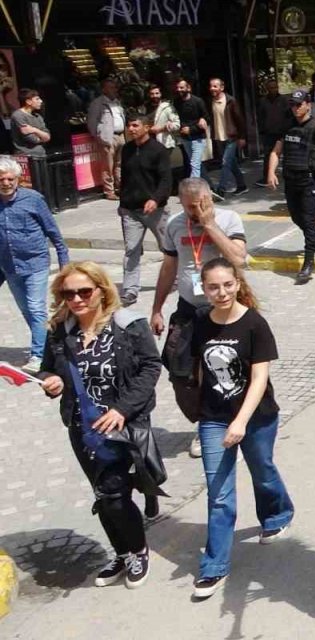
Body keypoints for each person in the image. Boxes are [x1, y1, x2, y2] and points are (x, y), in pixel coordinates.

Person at [37, 261, 166, 591]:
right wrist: (50, 380)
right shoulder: (60, 330)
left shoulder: (128, 325)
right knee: (103, 492)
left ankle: (137, 550)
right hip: (82, 428)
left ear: (101, 290)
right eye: (69, 294)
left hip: (122, 425)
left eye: (84, 291)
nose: (77, 299)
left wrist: (123, 409)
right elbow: (46, 370)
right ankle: (122, 553)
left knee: (113, 493)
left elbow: (151, 368)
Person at [189, 258, 294, 598]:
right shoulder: (201, 323)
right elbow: (201, 371)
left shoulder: (254, 324)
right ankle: (214, 566)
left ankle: (277, 514)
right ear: (204, 289)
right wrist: (202, 418)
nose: (221, 292)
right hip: (214, 419)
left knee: (262, 470)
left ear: (237, 284)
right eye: (213, 287)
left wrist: (240, 421)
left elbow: (260, 378)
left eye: (227, 285)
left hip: (257, 416)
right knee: (218, 493)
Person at [150, 178, 248, 459]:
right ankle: (205, 421)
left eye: (201, 205)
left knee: (225, 368)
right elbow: (170, 266)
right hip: (190, 307)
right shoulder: (175, 224)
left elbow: (238, 259)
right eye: (190, 207)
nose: (195, 212)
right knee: (182, 370)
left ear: (210, 199)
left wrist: (209, 225)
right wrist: (157, 308)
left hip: (226, 307)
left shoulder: (228, 219)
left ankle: (230, 425)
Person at [0, 156, 68, 372]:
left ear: (18, 178)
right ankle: (52, 347)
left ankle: (38, 356)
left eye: (10, 179)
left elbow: (54, 233)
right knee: (26, 310)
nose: (6, 183)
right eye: (1, 179)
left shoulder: (33, 199)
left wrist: (64, 264)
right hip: (9, 266)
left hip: (35, 263)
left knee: (36, 308)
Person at [265, 90, 315, 283]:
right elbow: (276, 152)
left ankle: (308, 262)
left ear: (307, 105)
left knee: (308, 219)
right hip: (291, 180)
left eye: (299, 104)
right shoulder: (287, 127)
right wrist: (271, 172)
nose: (295, 108)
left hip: (310, 181)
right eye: (292, 105)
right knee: (297, 217)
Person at [117, 112, 171, 307]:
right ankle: (130, 290)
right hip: (131, 210)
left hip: (155, 211)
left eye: (135, 126)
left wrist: (156, 200)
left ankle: (174, 277)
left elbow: (166, 180)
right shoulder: (127, 149)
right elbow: (125, 178)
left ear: (147, 127)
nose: (131, 130)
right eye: (129, 126)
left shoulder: (159, 151)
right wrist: (122, 204)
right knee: (131, 250)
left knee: (168, 248)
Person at [87, 78, 127, 200]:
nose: (114, 90)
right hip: (108, 137)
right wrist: (99, 137)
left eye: (115, 87)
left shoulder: (117, 102)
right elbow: (92, 122)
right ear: (104, 89)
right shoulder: (98, 103)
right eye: (110, 87)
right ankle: (109, 191)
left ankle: (120, 187)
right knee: (107, 165)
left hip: (121, 135)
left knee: (120, 164)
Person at [207, 78, 248, 198]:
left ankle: (221, 190)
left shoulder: (231, 101)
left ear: (222, 87)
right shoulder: (210, 101)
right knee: (231, 162)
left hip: (232, 137)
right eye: (211, 86)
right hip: (219, 137)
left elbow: (240, 120)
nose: (212, 89)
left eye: (215, 86)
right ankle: (242, 185)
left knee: (225, 162)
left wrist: (242, 137)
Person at [255, 80, 291, 188]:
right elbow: (260, 116)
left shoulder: (284, 100)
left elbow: (288, 115)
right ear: (267, 89)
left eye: (275, 87)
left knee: (287, 154)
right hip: (269, 133)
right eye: (271, 88)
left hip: (282, 132)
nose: (273, 90)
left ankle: (287, 174)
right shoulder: (263, 101)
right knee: (268, 155)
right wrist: (262, 130)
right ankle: (267, 176)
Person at [174, 79, 209, 180]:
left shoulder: (198, 101)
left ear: (188, 88)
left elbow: (207, 118)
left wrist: (191, 129)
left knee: (194, 164)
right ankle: (209, 186)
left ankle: (194, 189)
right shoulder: (177, 102)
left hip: (198, 138)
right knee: (195, 163)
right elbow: (177, 119)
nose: (179, 90)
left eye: (181, 87)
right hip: (185, 138)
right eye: (177, 88)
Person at [11, 88, 50, 157]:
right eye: (37, 99)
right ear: (28, 101)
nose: (41, 101)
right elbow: (33, 139)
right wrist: (42, 136)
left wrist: (34, 130)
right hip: (27, 156)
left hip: (41, 154)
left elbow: (48, 137)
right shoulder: (18, 116)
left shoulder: (38, 116)